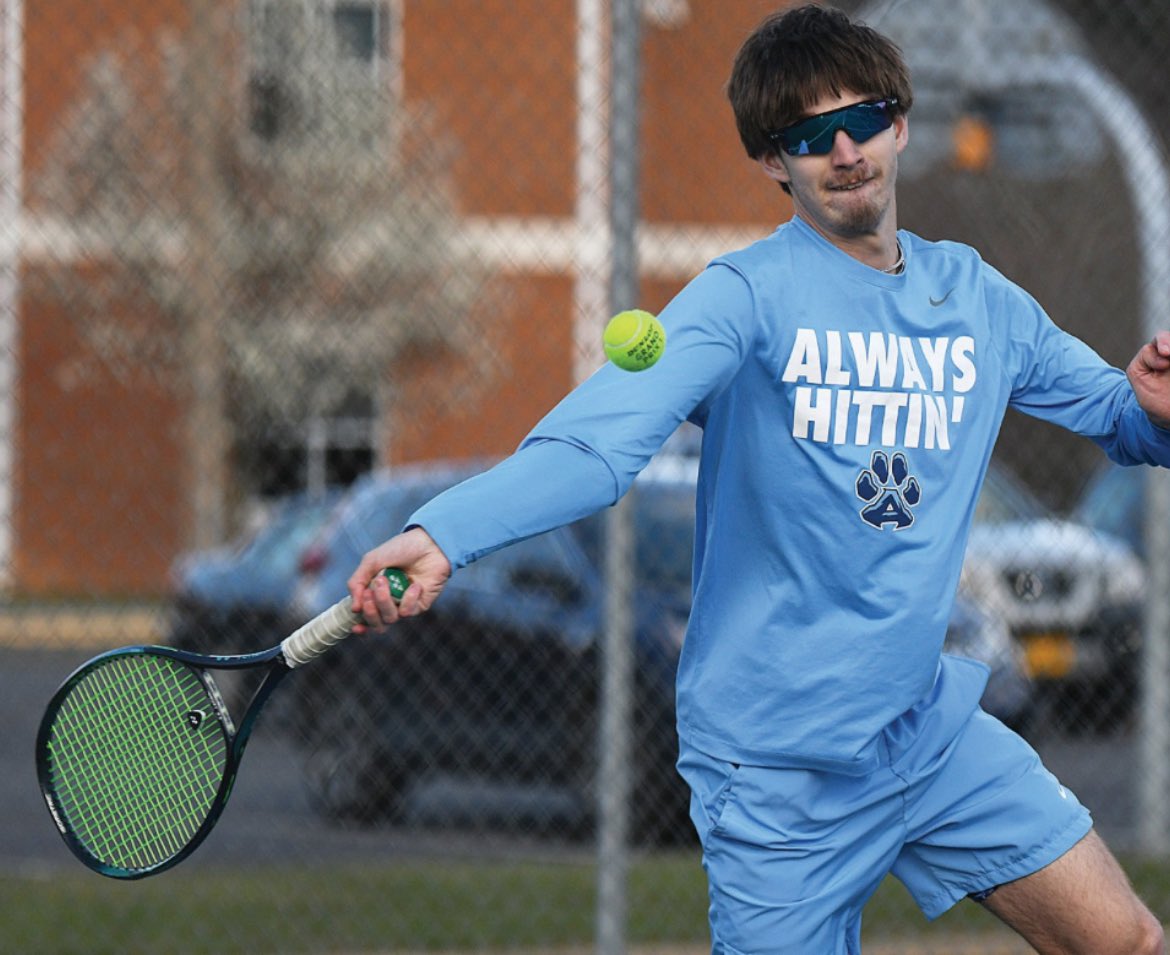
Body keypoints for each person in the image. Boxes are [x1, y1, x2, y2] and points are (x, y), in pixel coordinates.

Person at [346, 5, 1167, 953]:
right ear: (775, 162)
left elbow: (1121, 421)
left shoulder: (980, 300)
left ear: (901, 123)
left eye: (863, 119)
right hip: (776, 769)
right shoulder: (742, 299)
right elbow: (592, 449)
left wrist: (1153, 409)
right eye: (810, 136)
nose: (845, 149)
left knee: (1128, 941)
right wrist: (445, 532)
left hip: (924, 730)